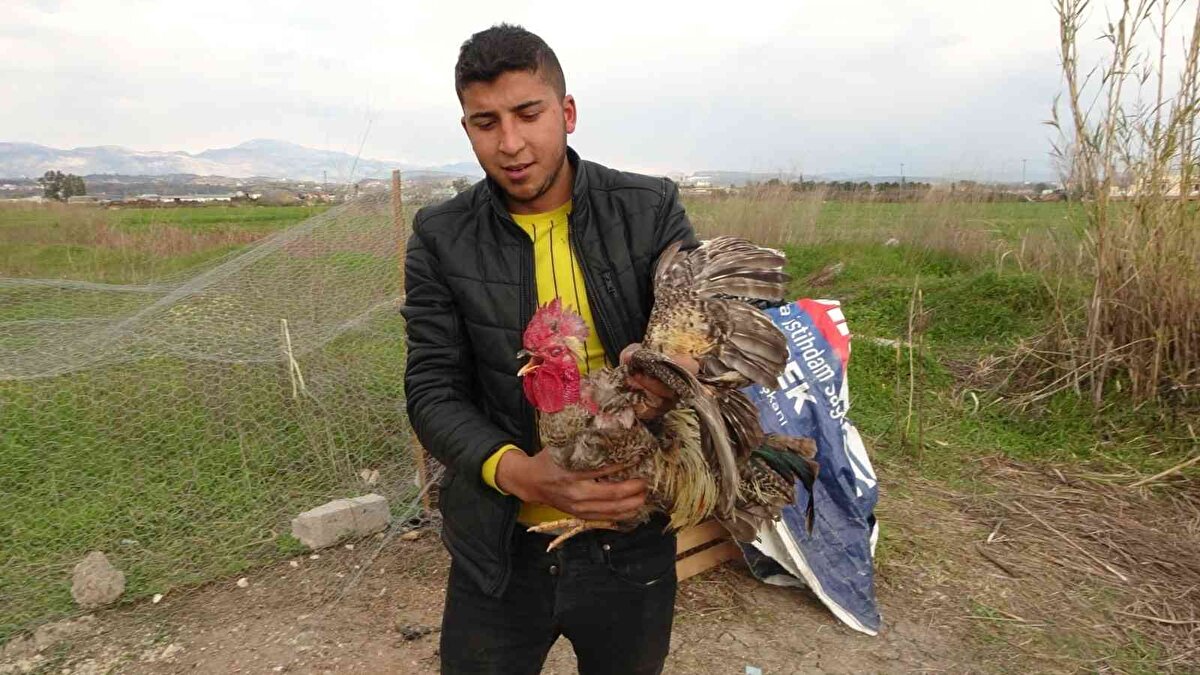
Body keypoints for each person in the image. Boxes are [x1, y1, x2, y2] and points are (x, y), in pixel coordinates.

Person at [402, 23, 698, 675]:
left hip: (631, 538)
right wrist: (519, 472)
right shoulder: (440, 236)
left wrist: (678, 370)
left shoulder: (648, 208)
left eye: (527, 113)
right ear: (467, 128)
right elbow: (431, 388)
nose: (510, 143)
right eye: (486, 122)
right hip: (500, 549)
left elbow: (706, 317)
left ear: (567, 112)